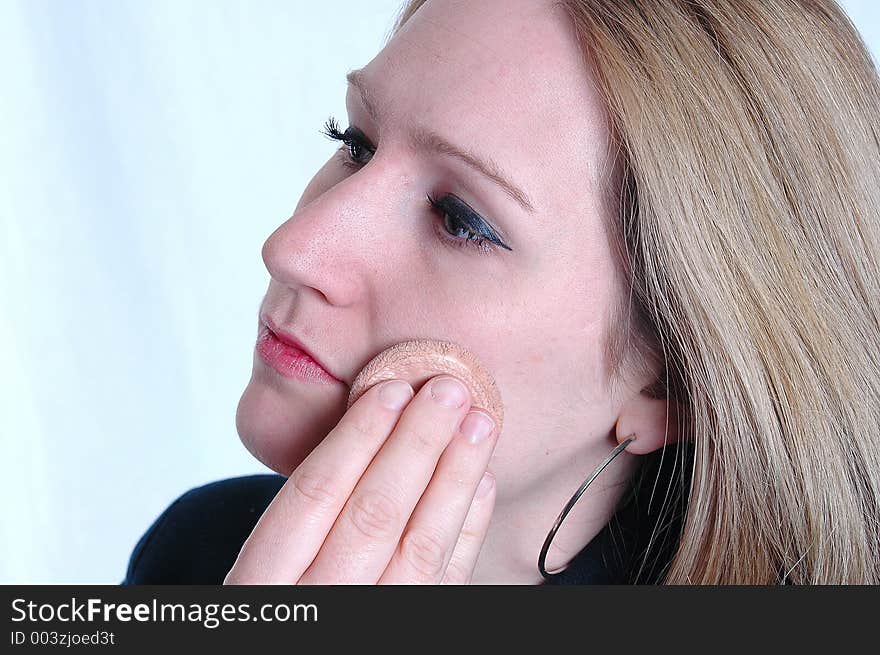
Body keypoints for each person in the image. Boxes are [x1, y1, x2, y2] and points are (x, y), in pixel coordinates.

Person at [123, 0, 880, 585]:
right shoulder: (203, 558)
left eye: (460, 219)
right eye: (354, 143)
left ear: (669, 385)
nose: (293, 248)